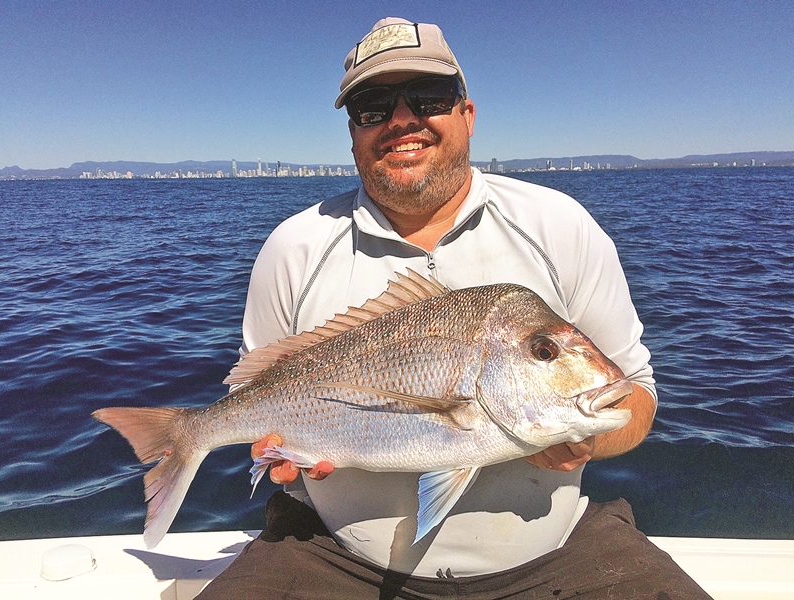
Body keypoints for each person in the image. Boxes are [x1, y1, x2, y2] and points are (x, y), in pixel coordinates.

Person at [198, 17, 711, 599]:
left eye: (428, 97)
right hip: (328, 553)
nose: (400, 120)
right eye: (371, 106)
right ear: (352, 133)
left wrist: (589, 439)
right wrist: (275, 453)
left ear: (467, 114)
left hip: (557, 552)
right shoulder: (294, 247)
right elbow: (256, 400)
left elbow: (635, 397)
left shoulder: (560, 225)